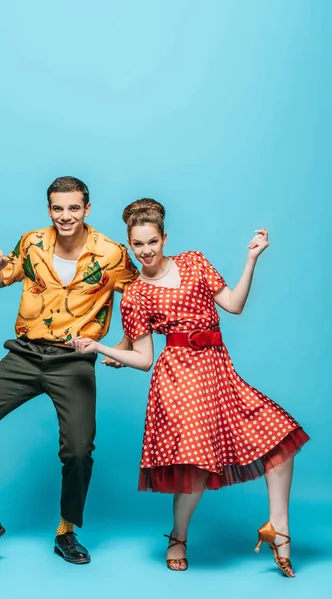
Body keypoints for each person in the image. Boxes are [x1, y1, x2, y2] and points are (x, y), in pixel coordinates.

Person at [71, 198, 309, 577]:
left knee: (279, 438)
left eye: (152, 241)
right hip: (178, 378)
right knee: (196, 465)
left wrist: (251, 259)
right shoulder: (135, 294)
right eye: (138, 245)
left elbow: (233, 305)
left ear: (165, 238)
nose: (145, 251)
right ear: (130, 245)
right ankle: (178, 537)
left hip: (218, 372)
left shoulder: (195, 262)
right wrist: (100, 347)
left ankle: (279, 528)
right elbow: (146, 358)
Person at [0, 176, 138, 569]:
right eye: (57, 208)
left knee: (80, 450)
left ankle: (66, 531)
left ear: (87, 209)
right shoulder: (32, 241)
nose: (65, 216)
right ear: (49, 210)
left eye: (73, 208)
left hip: (74, 360)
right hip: (27, 353)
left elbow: (138, 298)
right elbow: (1, 279)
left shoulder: (112, 254)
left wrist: (126, 346)